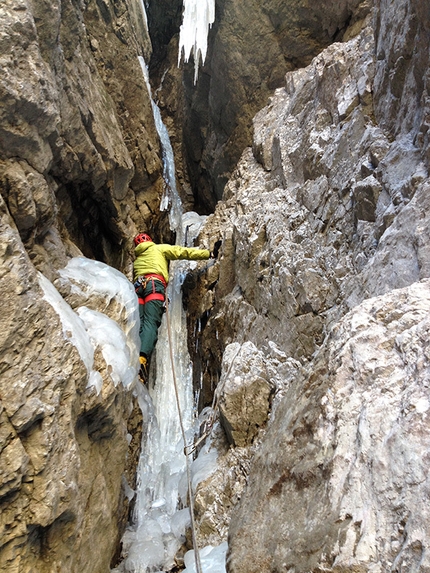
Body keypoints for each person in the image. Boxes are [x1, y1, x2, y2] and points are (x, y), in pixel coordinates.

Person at [133, 232, 211, 383]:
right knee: (151, 322)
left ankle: (136, 360)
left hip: (137, 290)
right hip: (154, 286)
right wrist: (208, 253)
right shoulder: (158, 249)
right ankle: (141, 360)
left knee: (141, 325)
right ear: (150, 241)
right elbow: (183, 252)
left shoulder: (138, 260)